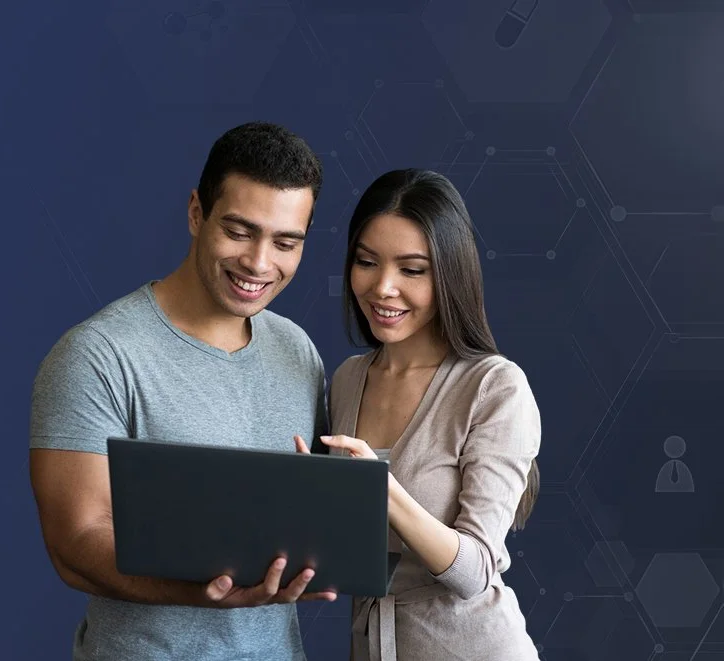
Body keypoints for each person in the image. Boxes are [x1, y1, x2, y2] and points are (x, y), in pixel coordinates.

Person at [27, 121, 336, 661]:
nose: (259, 262)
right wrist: (210, 589)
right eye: (239, 231)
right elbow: (74, 544)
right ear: (197, 213)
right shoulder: (98, 355)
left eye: (285, 242)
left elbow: (313, 519)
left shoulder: (298, 350)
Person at [305, 168, 542, 661]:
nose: (383, 287)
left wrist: (380, 488)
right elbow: (347, 549)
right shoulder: (347, 379)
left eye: (412, 270)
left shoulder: (494, 386)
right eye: (366, 262)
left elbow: (473, 573)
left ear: (449, 275)